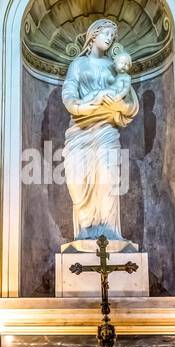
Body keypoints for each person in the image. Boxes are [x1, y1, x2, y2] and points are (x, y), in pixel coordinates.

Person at [61, 21, 139, 244]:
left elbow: (129, 99)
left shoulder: (114, 66)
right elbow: (69, 94)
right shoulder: (78, 64)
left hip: (106, 129)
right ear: (93, 35)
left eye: (113, 35)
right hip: (80, 131)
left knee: (107, 178)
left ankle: (109, 235)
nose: (110, 38)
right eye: (106, 33)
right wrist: (87, 104)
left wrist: (117, 106)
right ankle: (85, 233)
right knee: (78, 183)